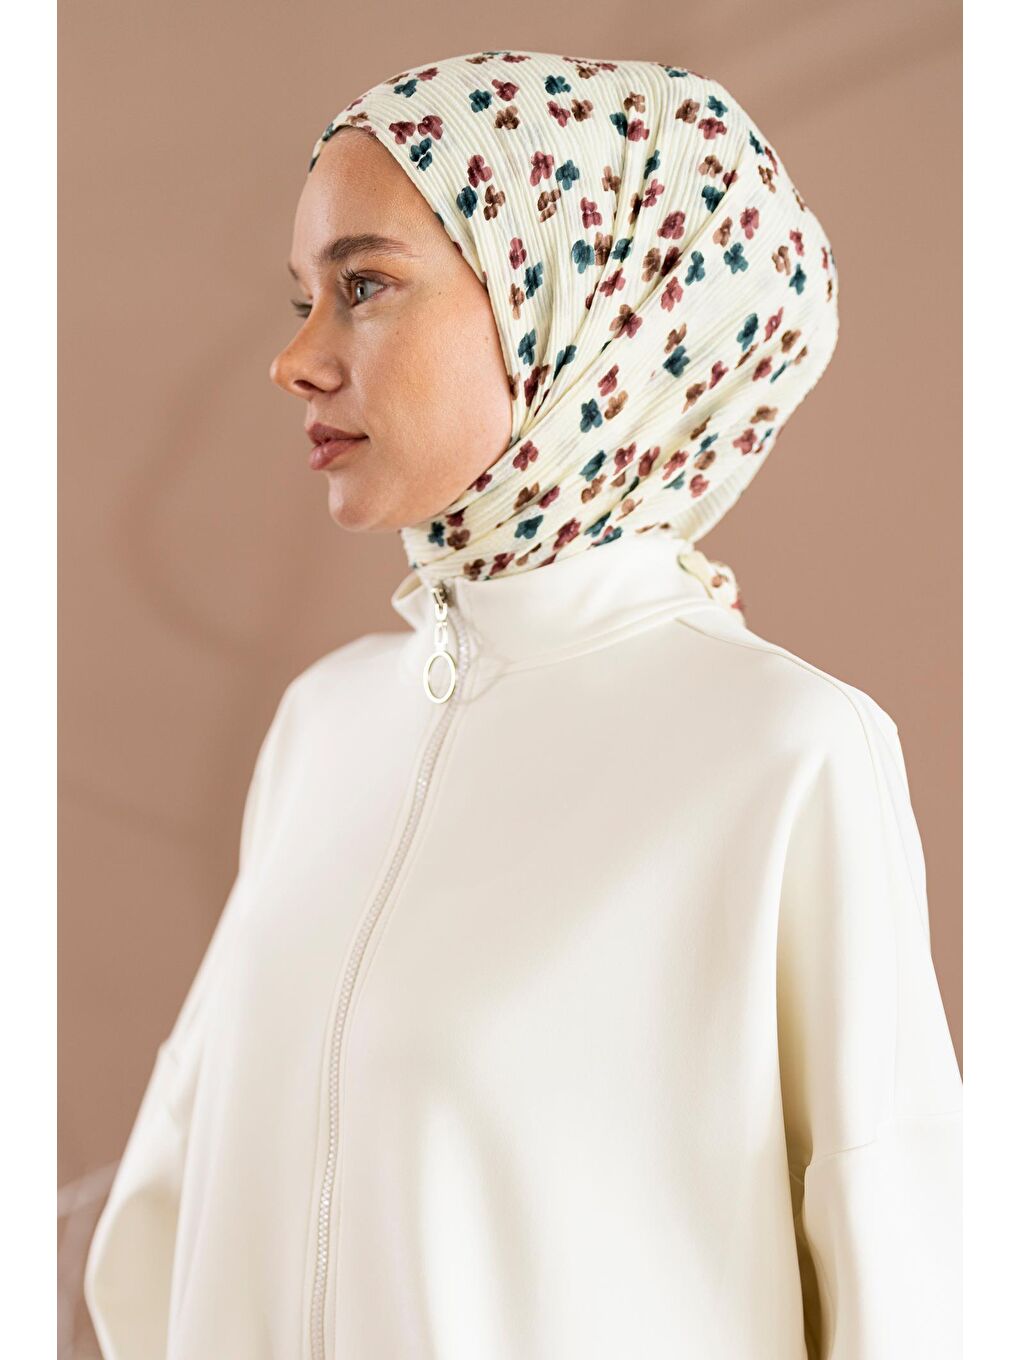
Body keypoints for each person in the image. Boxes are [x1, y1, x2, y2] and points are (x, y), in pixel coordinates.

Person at [84, 49, 962, 1360]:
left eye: (363, 286)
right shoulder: (326, 726)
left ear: (577, 302)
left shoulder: (786, 756)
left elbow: (908, 1297)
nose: (296, 360)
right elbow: (165, 1225)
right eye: (303, 298)